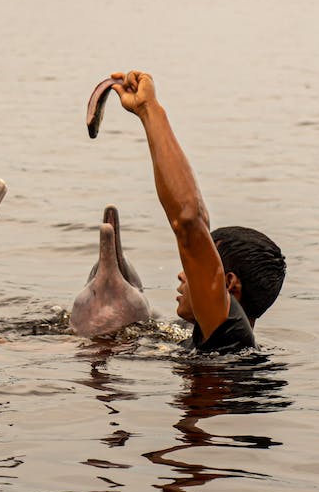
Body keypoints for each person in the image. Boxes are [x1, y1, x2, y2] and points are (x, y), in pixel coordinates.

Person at [110, 71, 286, 352]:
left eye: (197, 269)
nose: (183, 275)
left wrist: (148, 109)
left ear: (228, 283)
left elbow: (189, 222)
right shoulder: (213, 337)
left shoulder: (231, 335)